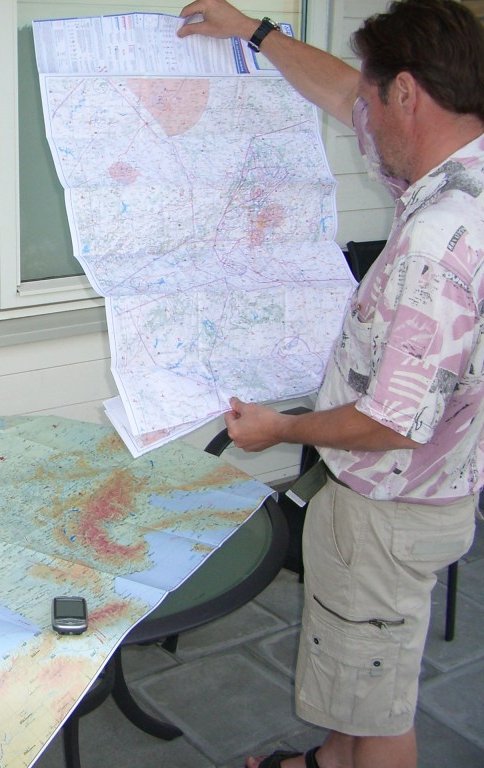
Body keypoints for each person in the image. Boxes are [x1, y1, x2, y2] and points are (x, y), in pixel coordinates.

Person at [176, 1, 484, 767]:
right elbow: (344, 90)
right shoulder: (464, 171)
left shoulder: (438, 243)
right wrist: (254, 33)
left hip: (387, 509)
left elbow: (392, 421)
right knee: (360, 680)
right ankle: (329, 759)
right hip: (437, 487)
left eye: (375, 98)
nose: (362, 116)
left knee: (380, 708)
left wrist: (282, 431)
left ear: (407, 93)